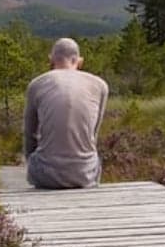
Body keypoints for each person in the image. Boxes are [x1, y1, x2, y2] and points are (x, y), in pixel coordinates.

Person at [23, 37, 109, 189]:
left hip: (46, 176)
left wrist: (32, 161)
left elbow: (29, 134)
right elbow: (93, 136)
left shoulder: (36, 85)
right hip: (85, 175)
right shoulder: (100, 86)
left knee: (36, 158)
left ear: (51, 60)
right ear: (79, 61)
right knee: (93, 158)